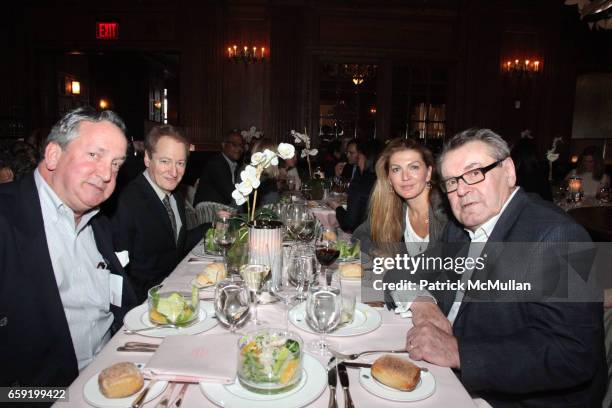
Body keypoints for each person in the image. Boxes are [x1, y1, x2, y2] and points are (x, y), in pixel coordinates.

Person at [403, 128, 606, 407]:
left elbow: (572, 355)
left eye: (475, 173)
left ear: (509, 171)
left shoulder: (557, 237)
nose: (462, 189)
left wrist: (459, 352)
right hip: (446, 375)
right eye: (451, 182)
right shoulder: (459, 230)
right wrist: (423, 301)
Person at [0, 107, 137, 389]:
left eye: (116, 164)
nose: (106, 174)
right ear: (53, 155)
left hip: (113, 373)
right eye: (94, 155)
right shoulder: (7, 217)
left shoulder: (97, 221)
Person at [108, 125, 206, 302]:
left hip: (173, 294)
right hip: (145, 304)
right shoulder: (126, 202)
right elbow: (119, 274)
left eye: (180, 163)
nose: (174, 172)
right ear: (147, 158)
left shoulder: (174, 195)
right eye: (165, 161)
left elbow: (173, 246)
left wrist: (211, 226)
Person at [353, 138, 449, 256]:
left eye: (413, 167)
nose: (405, 177)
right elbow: (358, 236)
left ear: (428, 173)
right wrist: (378, 252)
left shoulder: (446, 212)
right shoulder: (393, 209)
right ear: (389, 179)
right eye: (396, 169)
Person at [329, 139, 383, 233]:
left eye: (359, 158)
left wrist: (337, 207)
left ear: (367, 159)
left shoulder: (360, 183)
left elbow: (349, 224)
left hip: (363, 239)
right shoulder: (387, 182)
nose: (358, 162)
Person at [193, 131, 245, 207]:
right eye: (234, 144)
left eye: (241, 146)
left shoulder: (235, 165)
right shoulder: (216, 164)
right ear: (224, 145)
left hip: (222, 208)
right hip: (208, 211)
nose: (239, 148)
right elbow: (231, 193)